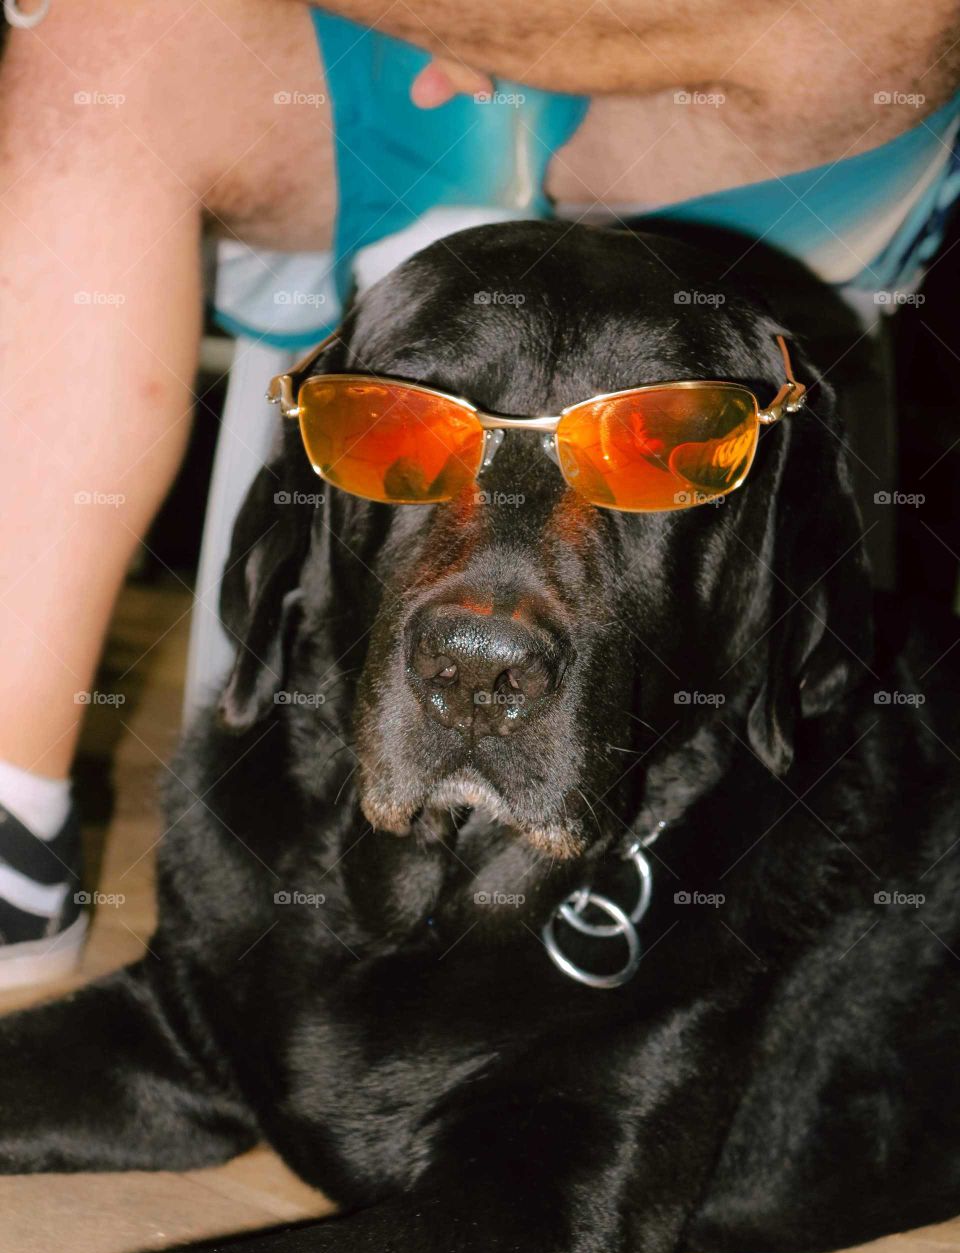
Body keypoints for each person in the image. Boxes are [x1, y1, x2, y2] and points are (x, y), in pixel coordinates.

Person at [0, 0, 958, 989]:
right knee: (101, 29)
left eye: (648, 451)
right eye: (408, 432)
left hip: (727, 96)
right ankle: (13, 810)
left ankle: (432, 256)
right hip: (388, 61)